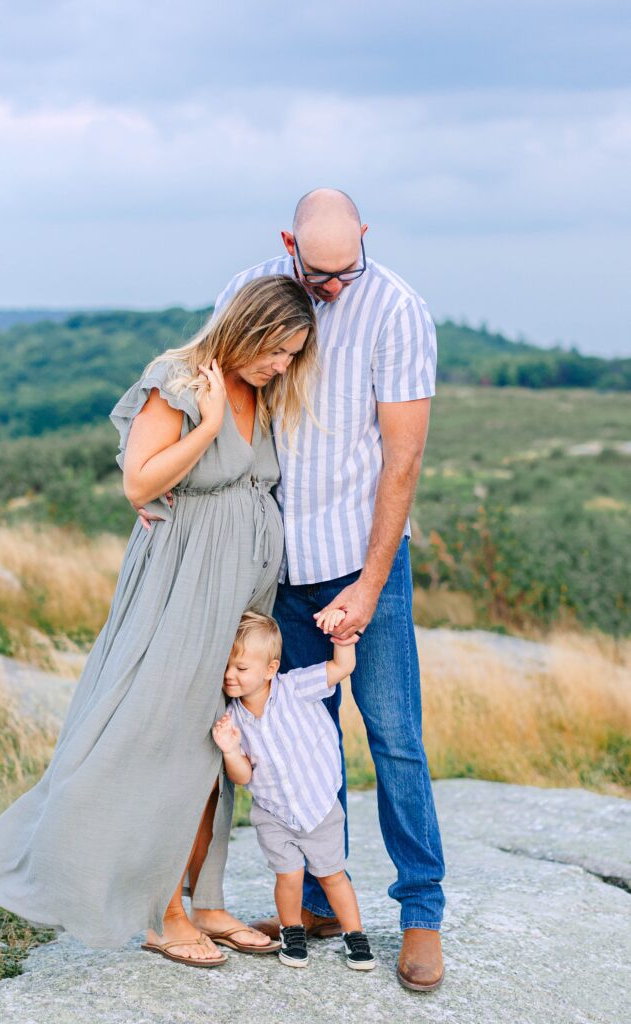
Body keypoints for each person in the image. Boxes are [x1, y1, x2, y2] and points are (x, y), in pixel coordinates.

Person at [0, 275, 317, 967]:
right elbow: (139, 482)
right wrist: (209, 427)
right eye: (278, 350)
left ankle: (205, 899)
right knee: (167, 737)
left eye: (293, 355)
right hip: (183, 583)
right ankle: (160, 911)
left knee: (223, 736)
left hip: (243, 586)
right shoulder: (180, 380)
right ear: (247, 328)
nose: (283, 365)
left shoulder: (264, 388)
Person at [212, 189, 446, 991]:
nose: (336, 288)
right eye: (321, 274)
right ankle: (314, 897)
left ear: (364, 242)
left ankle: (420, 912)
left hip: (363, 559)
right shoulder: (249, 291)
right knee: (296, 741)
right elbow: (221, 407)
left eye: (348, 269)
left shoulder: (398, 309)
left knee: (393, 738)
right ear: (288, 244)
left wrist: (370, 586)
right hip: (274, 566)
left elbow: (402, 459)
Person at [212, 611, 376, 972]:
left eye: (240, 668)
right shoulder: (232, 717)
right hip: (273, 813)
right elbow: (242, 776)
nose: (229, 676)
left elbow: (340, 668)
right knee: (288, 876)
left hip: (318, 805)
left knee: (333, 875)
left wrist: (343, 638)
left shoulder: (295, 686)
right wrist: (228, 749)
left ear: (270, 669)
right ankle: (292, 931)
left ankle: (355, 935)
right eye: (226, 666)